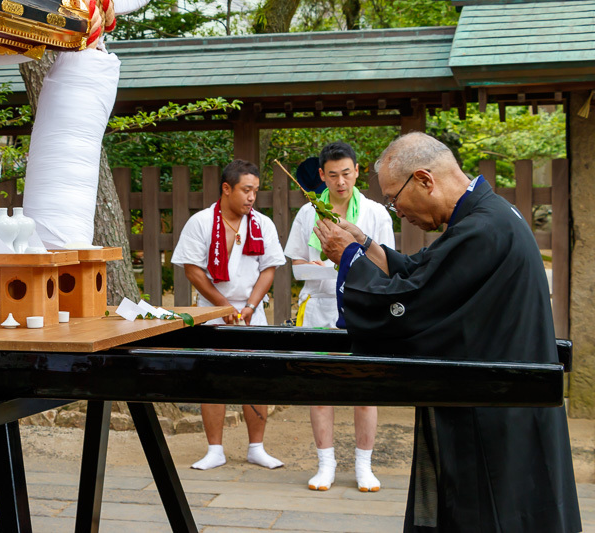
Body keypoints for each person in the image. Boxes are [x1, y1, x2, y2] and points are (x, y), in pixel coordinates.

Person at [313, 132, 581, 533]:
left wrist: (348, 257)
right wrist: (364, 245)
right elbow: (427, 273)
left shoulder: (482, 229)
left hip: (495, 409)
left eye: (393, 198)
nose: (396, 210)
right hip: (500, 397)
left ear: (424, 179)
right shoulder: (488, 216)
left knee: (492, 513)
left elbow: (415, 303)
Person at [284, 142, 395, 493]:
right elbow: (298, 266)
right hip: (318, 305)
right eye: (332, 175)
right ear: (321, 176)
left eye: (346, 173)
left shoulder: (375, 213)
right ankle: (325, 463)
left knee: (364, 388)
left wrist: (346, 262)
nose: (341, 182)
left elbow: (388, 264)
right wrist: (328, 265)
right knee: (320, 388)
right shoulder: (308, 213)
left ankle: (364, 465)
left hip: (363, 307)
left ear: (358, 171)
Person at [171, 159, 286, 470]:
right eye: (246, 190)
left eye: (255, 191)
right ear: (226, 188)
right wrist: (224, 307)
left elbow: (269, 269)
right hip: (212, 310)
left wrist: (249, 306)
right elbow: (193, 272)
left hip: (252, 310)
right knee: (213, 377)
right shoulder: (202, 222)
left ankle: (256, 447)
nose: (252, 197)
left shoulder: (262, 224)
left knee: (256, 376)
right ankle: (214, 449)